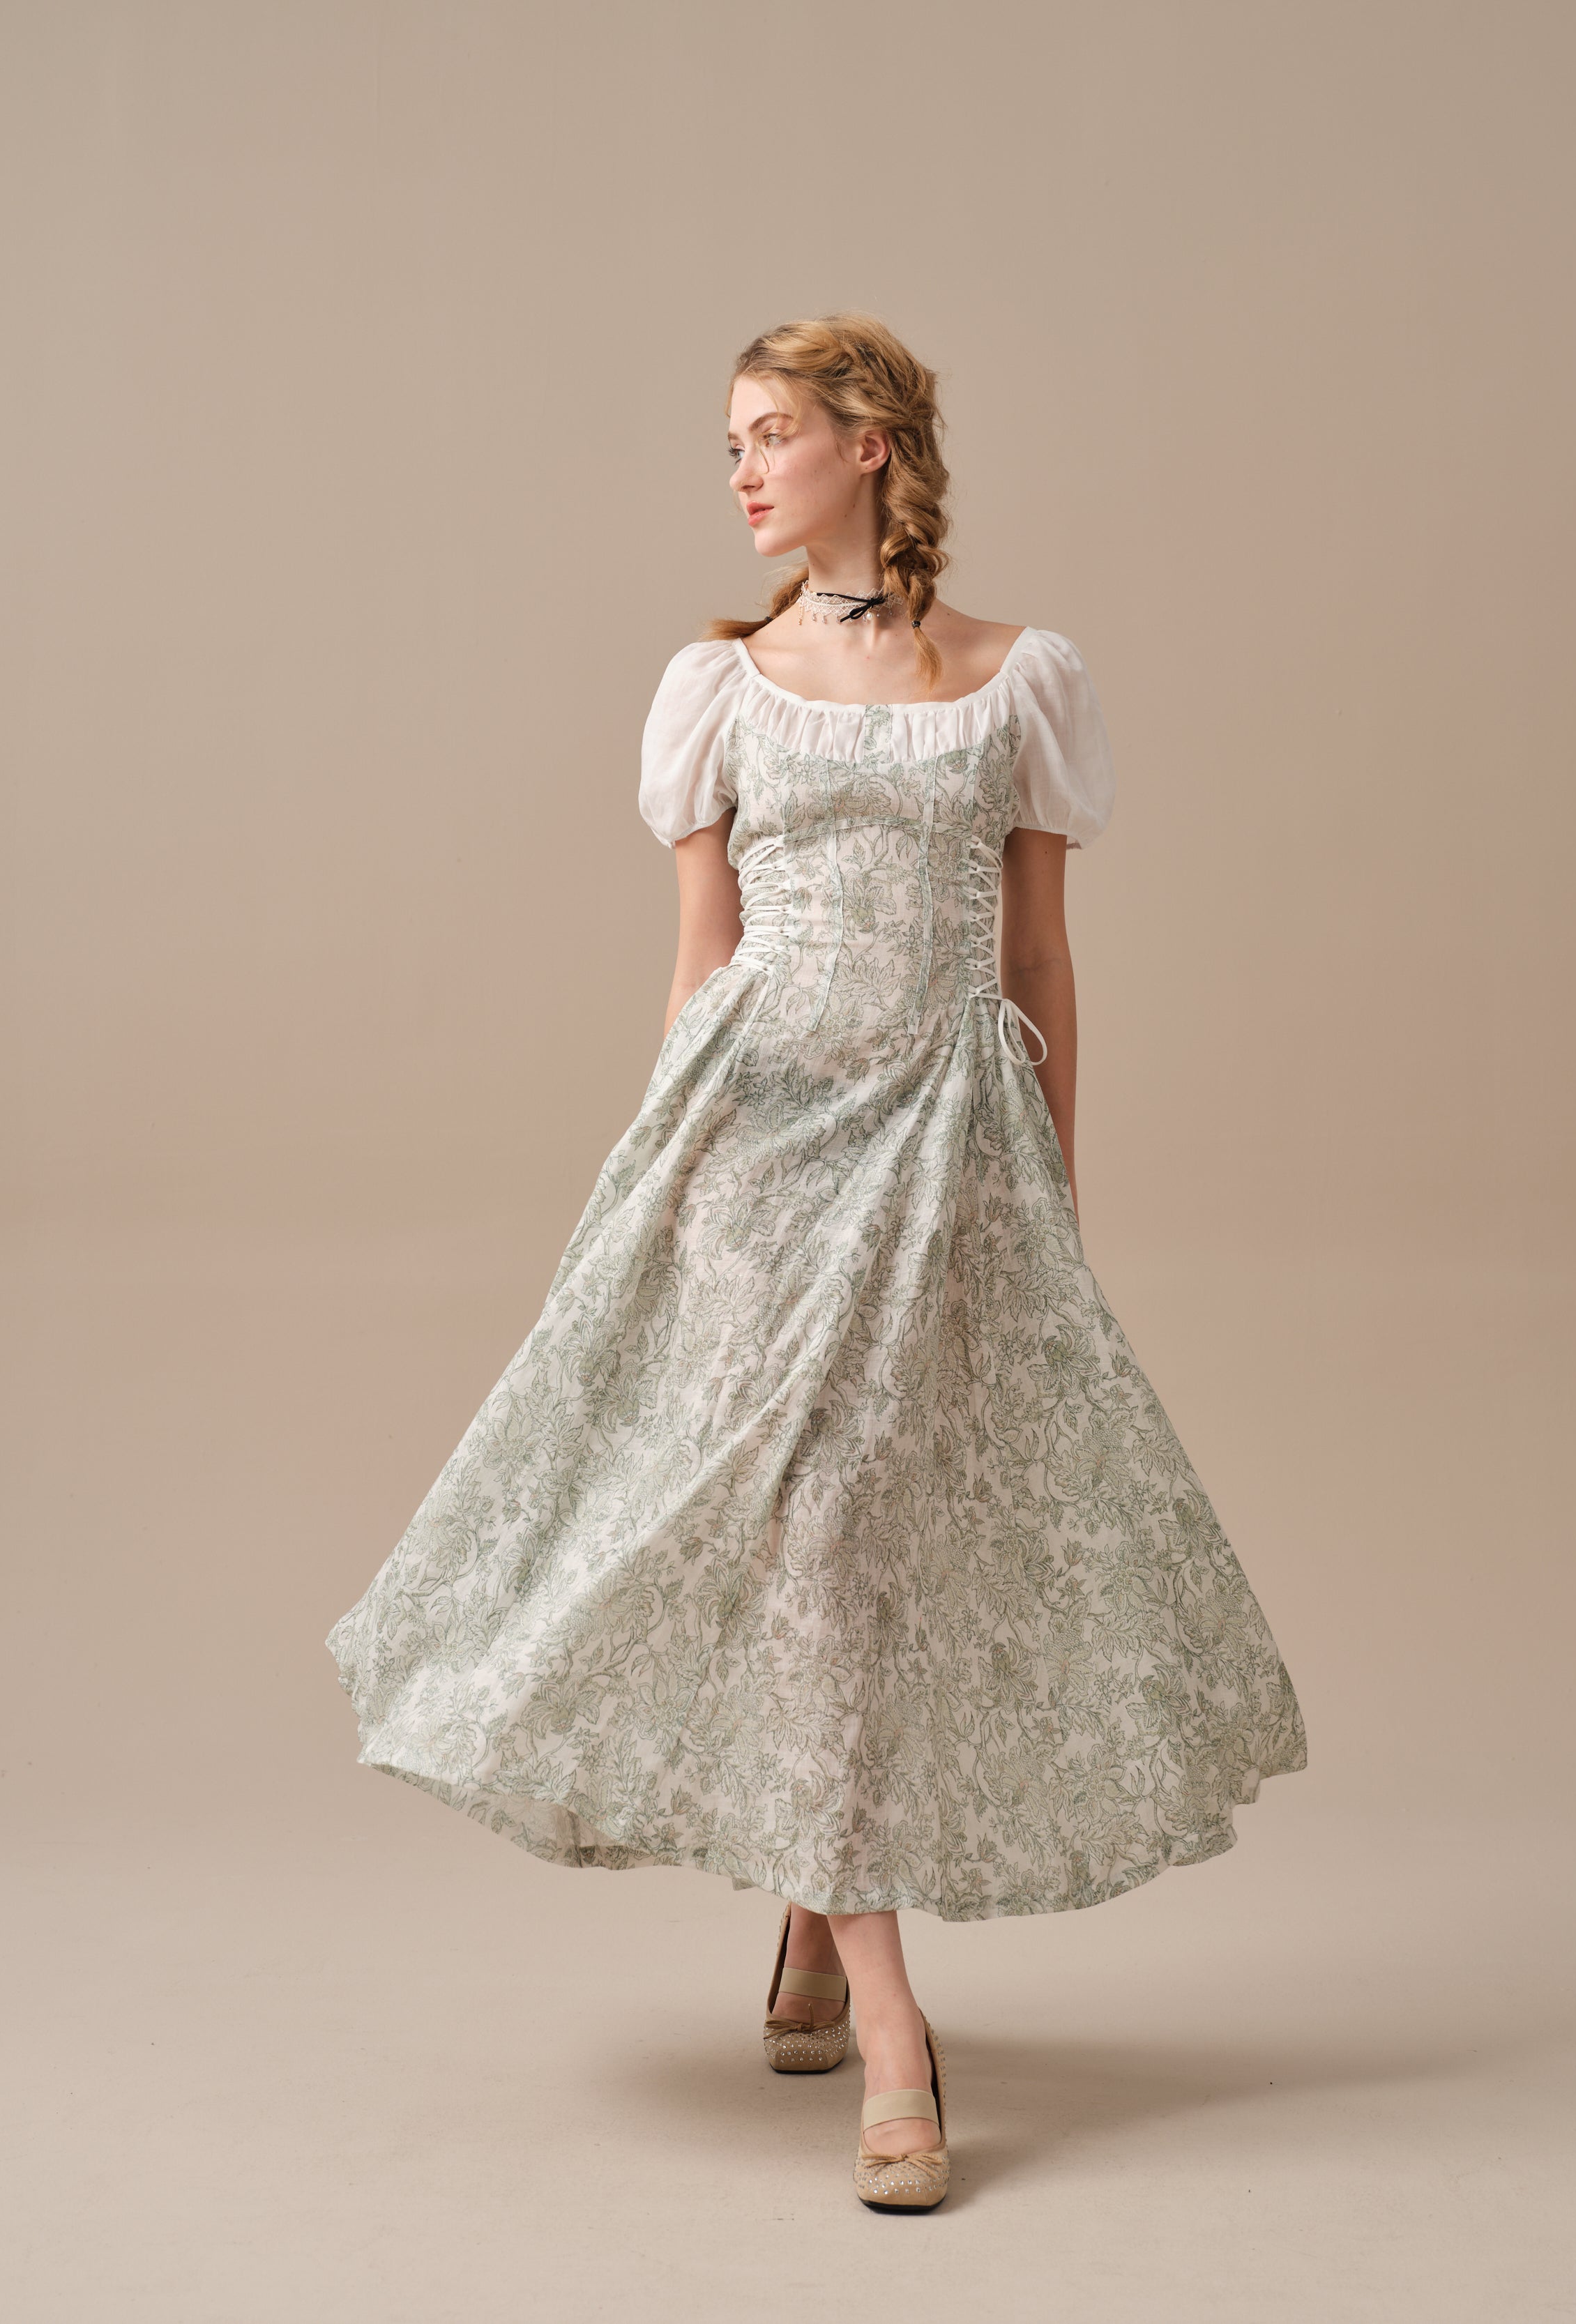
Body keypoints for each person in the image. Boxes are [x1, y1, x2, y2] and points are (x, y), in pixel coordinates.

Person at [328, 312, 1306, 2212]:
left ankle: (804, 1905)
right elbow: (703, 958)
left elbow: (1038, 959)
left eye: (770, 434)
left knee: (864, 1534)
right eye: (729, 445)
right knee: (805, 1537)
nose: (743, 472)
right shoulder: (719, 687)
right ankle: (894, 2027)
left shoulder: (1019, 678)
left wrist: (1054, 1193)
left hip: (943, 1146)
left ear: (871, 444)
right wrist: (660, 1188)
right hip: (758, 1151)